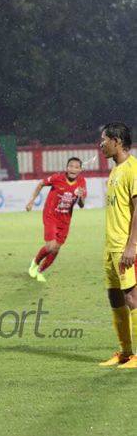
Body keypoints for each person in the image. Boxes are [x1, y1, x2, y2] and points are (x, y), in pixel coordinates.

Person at [98, 122, 137, 368]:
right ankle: (125, 352)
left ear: (117, 141)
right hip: (110, 246)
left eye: (103, 140)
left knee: (132, 297)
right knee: (114, 297)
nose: (100, 145)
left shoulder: (132, 169)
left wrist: (131, 246)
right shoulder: (115, 171)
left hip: (126, 246)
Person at [25, 157, 86, 282]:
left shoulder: (82, 182)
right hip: (51, 215)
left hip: (65, 220)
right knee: (51, 246)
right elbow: (41, 183)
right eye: (71, 166)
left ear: (80, 170)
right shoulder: (57, 178)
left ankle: (40, 271)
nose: (73, 169)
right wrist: (32, 200)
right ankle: (35, 262)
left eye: (76, 167)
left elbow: (81, 205)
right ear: (66, 168)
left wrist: (80, 197)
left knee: (56, 248)